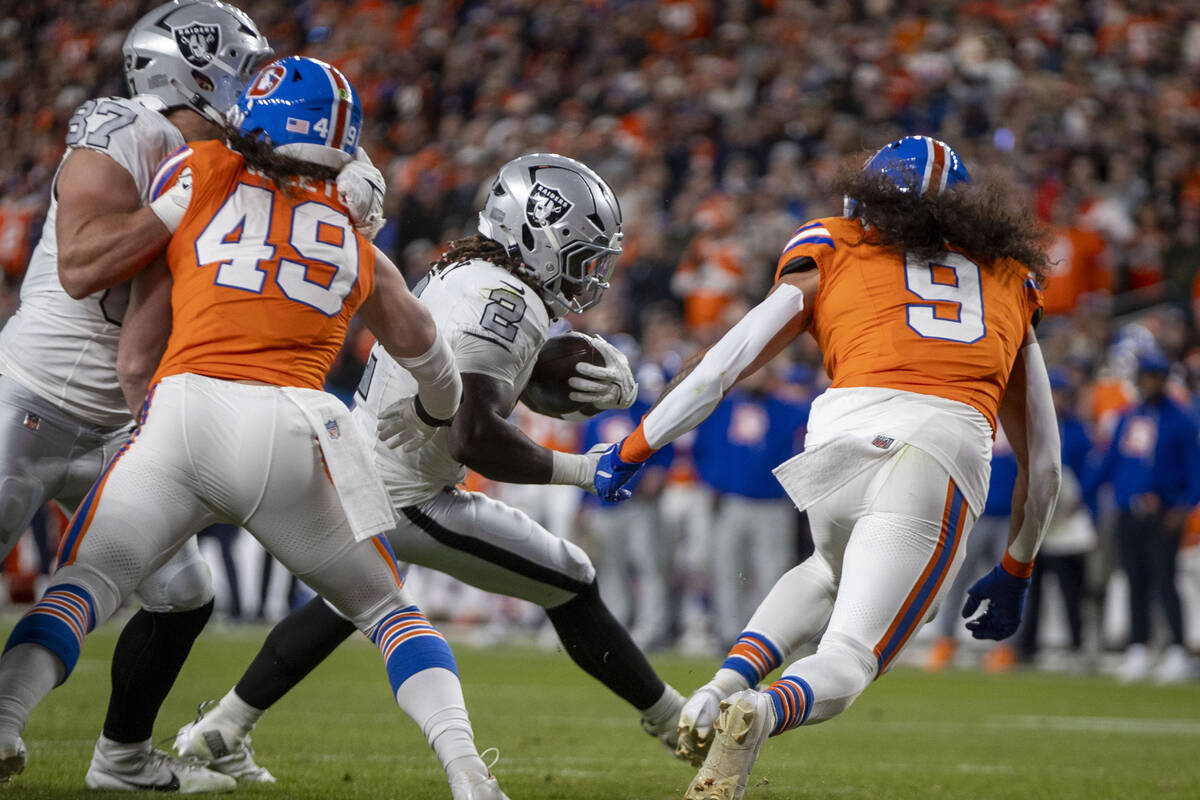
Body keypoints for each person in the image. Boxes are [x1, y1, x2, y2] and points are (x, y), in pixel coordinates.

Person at [0, 55, 516, 800]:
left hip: (184, 414)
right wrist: (437, 414)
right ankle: (467, 769)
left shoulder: (200, 172)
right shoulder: (349, 231)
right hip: (291, 429)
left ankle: (8, 718)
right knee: (389, 613)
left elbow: (140, 334)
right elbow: (429, 357)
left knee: (81, 588)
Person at [171, 153, 687, 782]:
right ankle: (674, 720)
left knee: (349, 605)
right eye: (581, 255)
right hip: (410, 495)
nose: (590, 275)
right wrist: (585, 470)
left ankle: (223, 728)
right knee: (570, 578)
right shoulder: (508, 300)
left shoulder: (469, 268)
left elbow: (471, 387)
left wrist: (536, 376)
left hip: (366, 463)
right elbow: (474, 435)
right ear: (536, 238)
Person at [594, 136, 1062, 800]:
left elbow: (725, 364)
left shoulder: (833, 243)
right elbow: (1044, 465)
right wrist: (1017, 566)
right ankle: (761, 709)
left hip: (837, 430)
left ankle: (718, 690)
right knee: (850, 656)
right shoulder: (1011, 279)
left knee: (825, 566)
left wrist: (636, 446)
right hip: (937, 445)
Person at [0, 1, 276, 790]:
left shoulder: (224, 164)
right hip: (34, 394)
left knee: (184, 593)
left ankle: (121, 760)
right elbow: (84, 266)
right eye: (242, 70)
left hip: (123, 417)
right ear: (194, 70)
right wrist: (177, 203)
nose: (253, 88)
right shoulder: (123, 128)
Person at [1087, 351, 1200, 683]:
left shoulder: (1181, 419)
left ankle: (1177, 649)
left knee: (1165, 580)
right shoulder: (1127, 416)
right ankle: (1138, 646)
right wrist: (1088, 493)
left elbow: (1194, 470)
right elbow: (1111, 462)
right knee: (1135, 580)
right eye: (1146, 376)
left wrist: (1183, 506)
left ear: (1165, 380)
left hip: (1163, 512)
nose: (1151, 382)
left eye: (1156, 376)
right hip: (1128, 510)